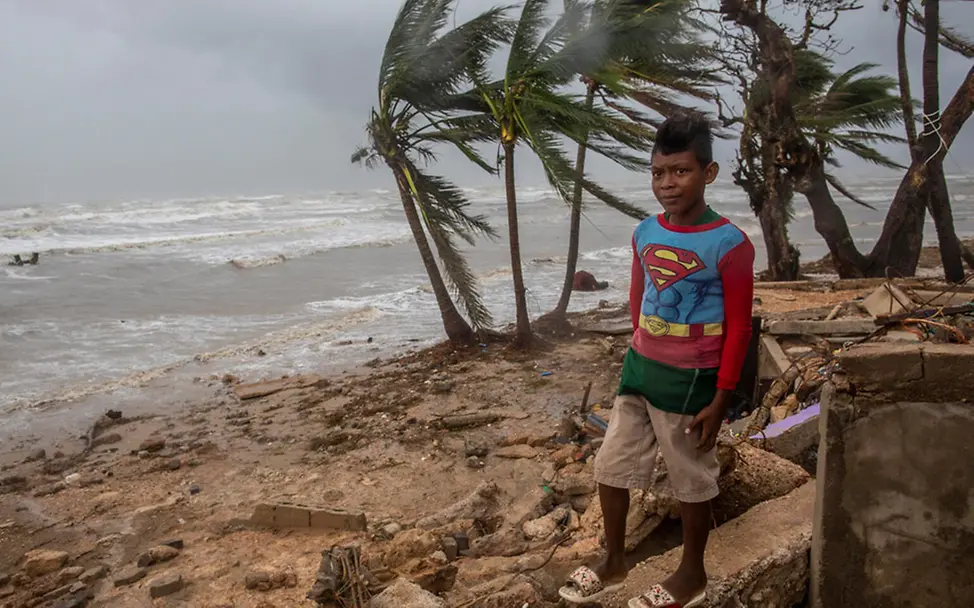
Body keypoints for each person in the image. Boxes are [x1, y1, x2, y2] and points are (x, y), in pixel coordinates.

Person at [558, 113, 755, 607]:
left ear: (707, 173)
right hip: (639, 371)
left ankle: (692, 575)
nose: (667, 184)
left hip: (691, 382)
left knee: (690, 475)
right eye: (658, 173)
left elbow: (740, 327)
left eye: (681, 171)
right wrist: (641, 342)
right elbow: (637, 296)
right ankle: (614, 560)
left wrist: (723, 396)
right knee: (611, 463)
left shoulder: (730, 245)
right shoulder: (645, 232)